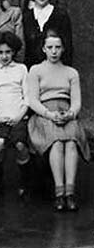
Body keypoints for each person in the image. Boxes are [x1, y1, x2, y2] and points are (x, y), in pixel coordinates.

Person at [27, 30, 89, 211]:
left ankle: (70, 193)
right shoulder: (36, 70)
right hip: (44, 115)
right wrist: (49, 114)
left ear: (63, 49)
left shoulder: (71, 72)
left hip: (66, 112)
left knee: (70, 142)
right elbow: (32, 100)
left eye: (58, 47)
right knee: (56, 143)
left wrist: (70, 113)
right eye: (50, 47)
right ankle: (59, 193)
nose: (54, 51)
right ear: (44, 49)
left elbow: (76, 101)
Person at [0, 32, 31, 199]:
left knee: (20, 145)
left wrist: (20, 116)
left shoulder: (21, 69)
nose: (4, 56)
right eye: (0, 52)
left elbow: (27, 98)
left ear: (14, 52)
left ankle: (24, 180)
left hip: (18, 115)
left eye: (8, 52)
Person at [22, 0, 72, 68]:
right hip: (32, 70)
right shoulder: (26, 17)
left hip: (57, 70)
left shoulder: (61, 15)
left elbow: (68, 47)